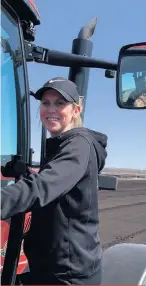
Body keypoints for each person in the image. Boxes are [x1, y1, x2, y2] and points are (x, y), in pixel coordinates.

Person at [1, 77, 108, 285]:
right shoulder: (63, 146)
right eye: (45, 103)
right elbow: (54, 182)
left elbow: (43, 187)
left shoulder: (78, 146)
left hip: (67, 277)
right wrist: (25, 172)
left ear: (76, 110)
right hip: (49, 267)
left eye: (60, 103)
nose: (51, 109)